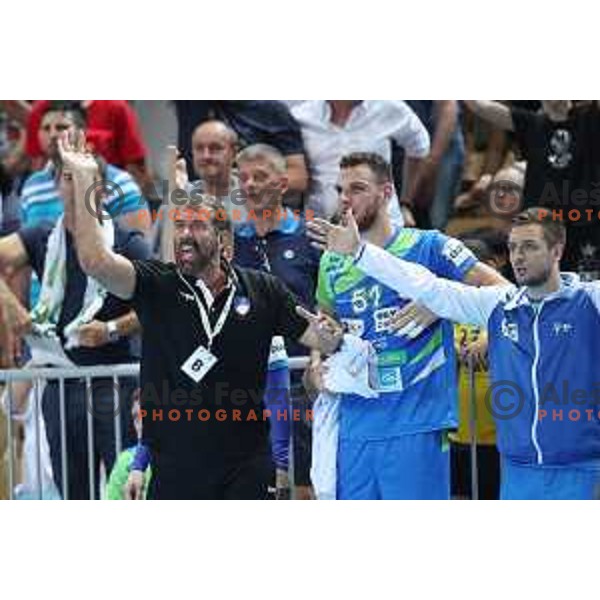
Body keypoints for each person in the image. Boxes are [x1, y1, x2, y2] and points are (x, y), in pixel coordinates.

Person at [59, 132, 346, 500]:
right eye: (179, 227)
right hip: (176, 467)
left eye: (196, 226)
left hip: (246, 467)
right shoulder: (158, 285)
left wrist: (332, 332)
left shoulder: (263, 289)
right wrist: (84, 178)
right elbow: (95, 261)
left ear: (224, 241)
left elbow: (321, 338)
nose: (184, 235)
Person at [309, 206, 600, 500]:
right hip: (517, 471)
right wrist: (360, 252)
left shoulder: (589, 301)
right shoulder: (499, 305)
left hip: (584, 471)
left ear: (557, 251)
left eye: (530, 247)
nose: (518, 257)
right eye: (513, 247)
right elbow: (425, 284)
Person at [309, 152, 505, 499]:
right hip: (354, 426)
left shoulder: (429, 246)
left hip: (417, 422)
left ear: (386, 193)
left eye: (357, 188)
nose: (344, 198)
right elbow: (324, 326)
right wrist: (315, 362)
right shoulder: (331, 260)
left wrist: (440, 302)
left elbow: (502, 292)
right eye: (340, 189)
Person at [0, 153, 150, 499]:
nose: (75, 185)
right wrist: (12, 308)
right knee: (72, 491)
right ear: (55, 186)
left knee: (124, 486)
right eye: (67, 177)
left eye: (84, 178)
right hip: (61, 383)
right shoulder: (41, 236)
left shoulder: (126, 242)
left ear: (101, 188)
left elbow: (161, 305)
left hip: (113, 382)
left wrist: (111, 328)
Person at [234, 143, 321, 498]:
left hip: (301, 384)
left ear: (283, 184)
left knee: (304, 488)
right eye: (243, 178)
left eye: (260, 176)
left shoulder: (311, 239)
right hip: (245, 389)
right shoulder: (231, 244)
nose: (250, 185)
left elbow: (328, 307)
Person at [465, 100, 600, 279]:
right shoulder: (531, 123)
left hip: (586, 226)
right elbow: (480, 106)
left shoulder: (590, 119)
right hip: (541, 228)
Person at [291, 100, 430, 225]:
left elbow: (419, 147)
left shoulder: (389, 107)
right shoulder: (301, 115)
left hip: (382, 230)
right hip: (321, 230)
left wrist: (406, 203)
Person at [173, 101, 308, 204]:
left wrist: (249, 186)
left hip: (255, 215)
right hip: (197, 212)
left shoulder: (269, 110)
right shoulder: (191, 106)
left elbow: (299, 177)